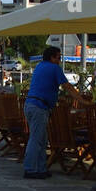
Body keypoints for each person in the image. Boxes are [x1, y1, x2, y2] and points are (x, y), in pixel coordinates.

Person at [22, 46, 71, 179]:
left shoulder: (39, 66)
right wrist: (82, 100)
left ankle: (41, 168)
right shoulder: (54, 68)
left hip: (31, 104)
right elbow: (67, 86)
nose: (59, 60)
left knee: (42, 139)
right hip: (39, 107)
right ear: (52, 57)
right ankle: (31, 169)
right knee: (37, 139)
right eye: (58, 57)